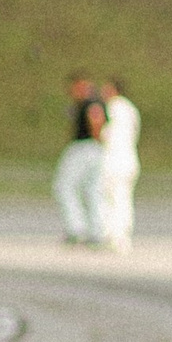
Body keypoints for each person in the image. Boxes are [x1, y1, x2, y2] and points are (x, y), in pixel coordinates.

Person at [55, 78, 104, 245]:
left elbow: (96, 120)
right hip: (94, 149)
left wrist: (95, 139)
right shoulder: (89, 102)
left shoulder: (91, 102)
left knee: (65, 186)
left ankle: (76, 228)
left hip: (85, 147)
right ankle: (96, 231)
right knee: (92, 189)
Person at [96, 79, 141, 249]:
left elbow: (105, 134)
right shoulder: (130, 109)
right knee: (124, 198)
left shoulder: (111, 108)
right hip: (129, 158)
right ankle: (122, 234)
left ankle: (111, 235)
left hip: (113, 159)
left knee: (109, 197)